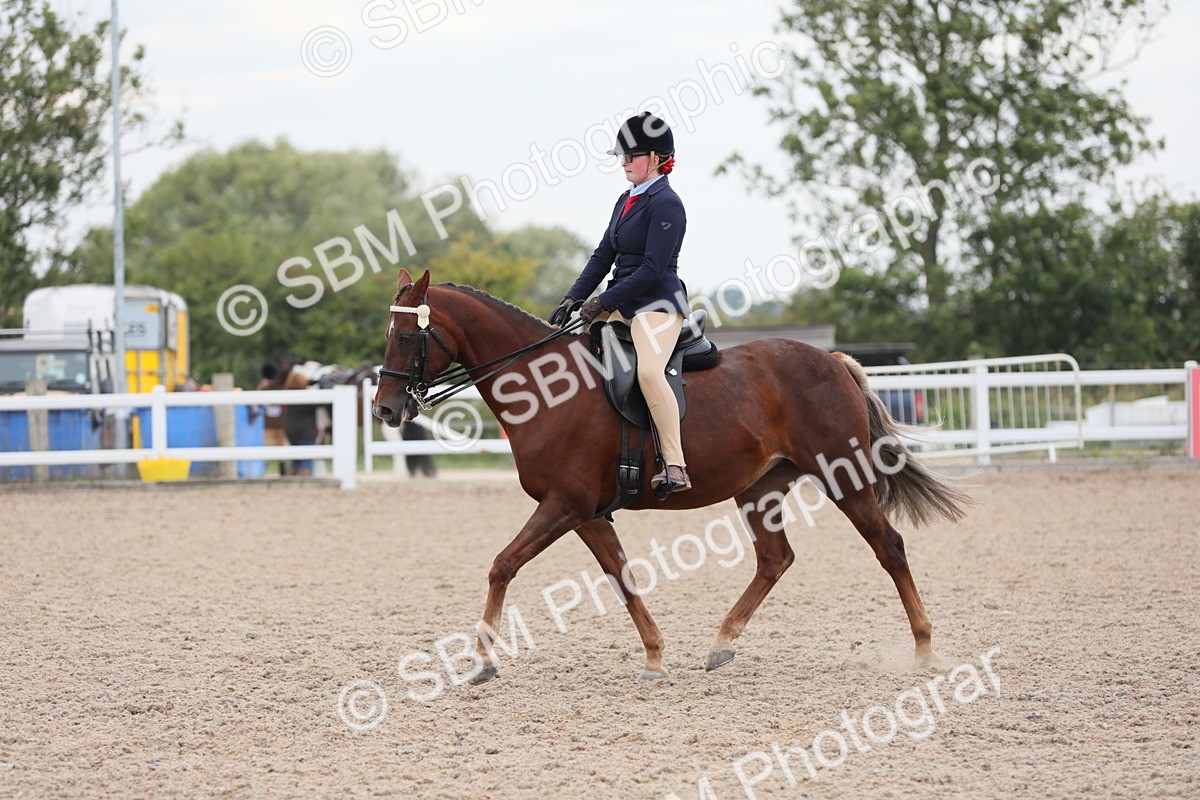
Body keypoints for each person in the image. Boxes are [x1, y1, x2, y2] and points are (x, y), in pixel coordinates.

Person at [549, 111, 691, 493]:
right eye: (622, 155)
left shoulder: (667, 204)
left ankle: (675, 464)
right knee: (568, 353)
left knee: (648, 372)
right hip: (621, 301)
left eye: (632, 155)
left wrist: (603, 301)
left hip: (657, 303)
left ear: (658, 159)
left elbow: (652, 268)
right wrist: (573, 297)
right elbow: (602, 255)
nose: (624, 161)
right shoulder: (625, 200)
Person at [280, 358, 318, 476]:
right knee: (306, 460)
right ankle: (306, 482)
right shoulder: (308, 396)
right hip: (306, 430)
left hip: (290, 430)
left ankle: (292, 479)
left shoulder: (286, 394)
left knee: (295, 460)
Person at [255, 361, 288, 476]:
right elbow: (258, 402)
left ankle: (282, 473)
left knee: (281, 450)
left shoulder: (280, 386)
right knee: (267, 449)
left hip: (279, 424)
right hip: (269, 424)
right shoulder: (265, 387)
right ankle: (264, 472)